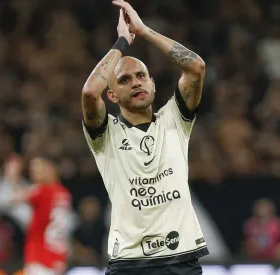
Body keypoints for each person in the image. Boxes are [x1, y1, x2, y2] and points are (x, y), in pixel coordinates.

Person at [81, 1, 208, 274]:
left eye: (141, 76)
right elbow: (91, 93)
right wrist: (123, 41)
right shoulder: (106, 134)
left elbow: (196, 67)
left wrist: (145, 31)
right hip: (129, 264)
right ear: (112, 95)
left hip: (181, 259)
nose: (136, 82)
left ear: (152, 84)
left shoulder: (174, 119)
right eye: (125, 80)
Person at [6, 154, 72, 275]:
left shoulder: (43, 190)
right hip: (58, 257)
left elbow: (14, 199)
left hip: (40, 258)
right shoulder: (63, 193)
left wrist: (14, 178)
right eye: (33, 170)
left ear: (51, 169)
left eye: (39, 169)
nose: (35, 174)